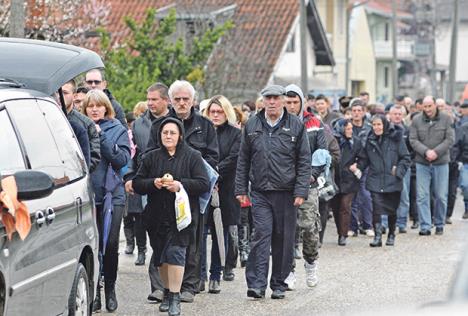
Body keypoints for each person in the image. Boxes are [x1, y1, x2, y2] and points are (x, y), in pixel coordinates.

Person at [235, 84, 311, 300]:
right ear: (263, 101)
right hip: (260, 192)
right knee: (261, 235)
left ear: (283, 101)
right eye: (268, 98)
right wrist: (241, 189)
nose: (271, 102)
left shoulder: (295, 125)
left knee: (283, 239)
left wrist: (300, 191)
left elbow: (304, 160)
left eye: (276, 98)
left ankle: (278, 283)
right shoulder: (252, 124)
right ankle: (257, 284)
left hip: (287, 193)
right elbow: (243, 159)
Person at [147, 80, 219, 303]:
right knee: (160, 241)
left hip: (192, 193)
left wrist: (188, 172)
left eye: (185, 99)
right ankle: (160, 287)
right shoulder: (159, 125)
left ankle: (189, 285)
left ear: (193, 101)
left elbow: (213, 157)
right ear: (170, 100)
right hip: (161, 194)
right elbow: (148, 154)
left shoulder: (205, 125)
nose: (181, 103)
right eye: (177, 99)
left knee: (191, 241)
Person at [133, 117, 209, 316]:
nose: (168, 136)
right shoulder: (151, 157)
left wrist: (180, 184)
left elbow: (203, 184)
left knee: (176, 253)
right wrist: (153, 183)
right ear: (159, 135)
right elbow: (138, 183)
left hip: (181, 217)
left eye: (172, 133)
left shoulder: (193, 156)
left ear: (180, 135)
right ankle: (167, 291)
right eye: (165, 132)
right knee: (162, 257)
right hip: (156, 217)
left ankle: (175, 297)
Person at [83, 89, 131, 312]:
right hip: (88, 196)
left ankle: (110, 287)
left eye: (98, 105)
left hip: (113, 195)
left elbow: (122, 159)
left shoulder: (116, 129)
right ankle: (95, 292)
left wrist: (99, 136)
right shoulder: (78, 127)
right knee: (92, 246)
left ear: (106, 108)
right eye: (90, 105)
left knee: (110, 244)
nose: (94, 109)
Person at [123, 83, 172, 303]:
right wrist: (129, 177)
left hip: (174, 189)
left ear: (166, 100)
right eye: (148, 99)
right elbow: (131, 155)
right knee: (156, 239)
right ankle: (158, 286)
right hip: (148, 187)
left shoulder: (175, 123)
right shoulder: (139, 125)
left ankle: (176, 285)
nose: (150, 103)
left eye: (155, 99)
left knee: (173, 240)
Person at [284, 84, 327, 288]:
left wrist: (311, 175)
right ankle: (289, 270)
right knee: (287, 229)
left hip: (308, 184)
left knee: (309, 226)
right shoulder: (279, 124)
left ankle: (311, 263)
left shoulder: (315, 124)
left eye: (295, 102)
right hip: (284, 184)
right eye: (288, 102)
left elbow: (322, 153)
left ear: (301, 102)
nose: (291, 106)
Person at [202, 95, 241, 293]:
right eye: (212, 111)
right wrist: (207, 176)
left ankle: (215, 274)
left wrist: (214, 175)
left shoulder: (235, 133)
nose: (215, 115)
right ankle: (199, 275)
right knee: (200, 233)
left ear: (227, 112)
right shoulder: (202, 131)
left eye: (219, 111)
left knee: (220, 234)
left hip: (225, 189)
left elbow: (234, 158)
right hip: (202, 187)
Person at [356, 114, 411, 247]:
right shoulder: (370, 139)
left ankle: (391, 234)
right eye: (374, 125)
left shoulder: (396, 138)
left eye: (379, 124)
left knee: (392, 210)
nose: (376, 127)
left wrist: (398, 171)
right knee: (377, 209)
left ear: (384, 125)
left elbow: (406, 157)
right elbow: (365, 158)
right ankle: (378, 236)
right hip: (375, 179)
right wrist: (358, 167)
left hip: (393, 179)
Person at [409, 96, 454, 236]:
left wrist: (436, 152)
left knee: (441, 195)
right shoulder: (416, 120)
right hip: (422, 162)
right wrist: (425, 151)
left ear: (435, 105)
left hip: (441, 162)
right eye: (425, 106)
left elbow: (450, 139)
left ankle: (439, 223)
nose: (427, 109)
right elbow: (413, 139)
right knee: (422, 195)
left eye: (430, 106)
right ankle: (425, 226)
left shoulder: (446, 119)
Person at [330, 119, 362, 246]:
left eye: (351, 129)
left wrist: (357, 165)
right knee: (336, 207)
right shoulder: (333, 141)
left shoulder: (356, 142)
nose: (350, 131)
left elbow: (363, 158)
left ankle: (343, 234)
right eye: (347, 129)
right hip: (335, 178)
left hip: (349, 179)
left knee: (345, 206)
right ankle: (340, 232)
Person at [61, 80, 101, 173]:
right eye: (58, 92)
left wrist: (78, 172)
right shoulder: (47, 117)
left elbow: (94, 156)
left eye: (65, 93)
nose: (60, 96)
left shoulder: (86, 123)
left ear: (74, 96)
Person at [349, 100, 373, 237]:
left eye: (359, 111)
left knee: (366, 196)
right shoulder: (346, 126)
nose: (357, 113)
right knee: (352, 198)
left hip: (365, 166)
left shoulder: (369, 128)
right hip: (350, 167)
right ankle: (353, 226)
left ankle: (367, 225)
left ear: (364, 112)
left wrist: (361, 165)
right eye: (354, 111)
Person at [452, 100, 468, 219]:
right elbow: (457, 145)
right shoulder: (463, 128)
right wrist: (456, 160)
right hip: (466, 162)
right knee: (466, 186)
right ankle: (467, 208)